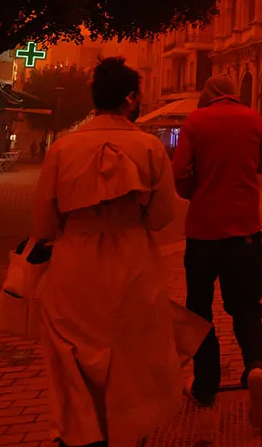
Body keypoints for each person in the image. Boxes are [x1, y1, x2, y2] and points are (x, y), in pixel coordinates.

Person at [32, 57, 181, 447]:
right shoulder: (149, 147)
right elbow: (162, 216)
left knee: (73, 357)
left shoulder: (62, 148)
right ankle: (128, 433)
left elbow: (43, 226)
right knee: (131, 355)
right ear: (131, 98)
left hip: (74, 263)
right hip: (133, 260)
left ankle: (81, 432)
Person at [172, 74, 262, 428]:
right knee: (246, 306)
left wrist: (193, 191)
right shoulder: (253, 117)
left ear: (207, 94)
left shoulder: (195, 121)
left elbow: (180, 173)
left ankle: (205, 385)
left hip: (202, 233)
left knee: (199, 309)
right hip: (245, 231)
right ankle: (256, 365)